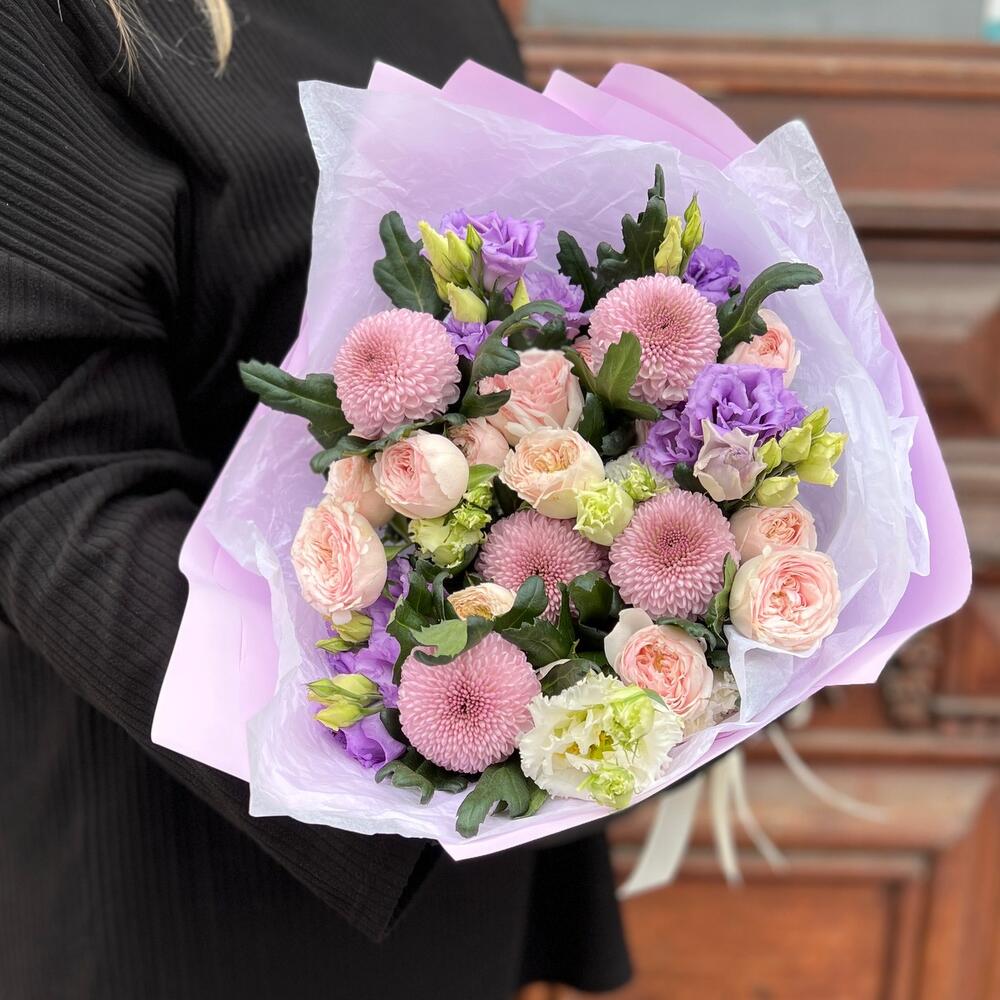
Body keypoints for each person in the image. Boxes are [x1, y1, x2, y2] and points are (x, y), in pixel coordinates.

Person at [0, 2, 632, 997]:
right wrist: (380, 753)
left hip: (468, 800)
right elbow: (46, 476)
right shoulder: (49, 27)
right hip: (204, 859)